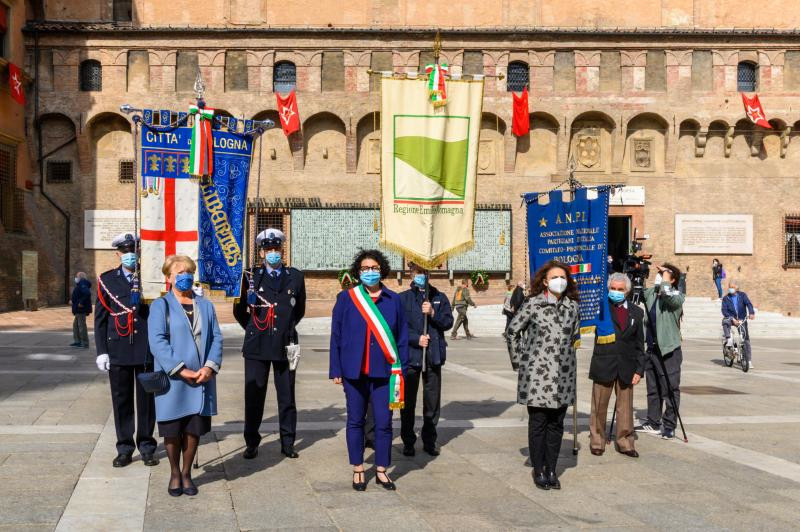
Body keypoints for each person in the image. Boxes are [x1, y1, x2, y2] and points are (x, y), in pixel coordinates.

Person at [330, 249, 409, 491]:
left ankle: (382, 470)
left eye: (374, 268)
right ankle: (358, 469)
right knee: (355, 421)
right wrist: (336, 369)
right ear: (358, 271)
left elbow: (402, 337)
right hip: (354, 372)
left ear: (382, 270)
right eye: (365, 268)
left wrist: (401, 369)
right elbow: (336, 335)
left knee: (384, 422)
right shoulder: (347, 298)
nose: (370, 272)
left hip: (385, 373)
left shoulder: (394, 300)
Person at [148, 255, 223, 497]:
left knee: (193, 430)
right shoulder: (161, 306)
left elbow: (216, 338)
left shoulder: (206, 305)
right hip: (173, 379)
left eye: (188, 271)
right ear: (168, 277)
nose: (185, 276)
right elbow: (157, 341)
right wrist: (181, 369)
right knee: (172, 429)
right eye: (179, 272)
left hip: (201, 379)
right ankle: (174, 473)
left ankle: (187, 472)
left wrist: (209, 367)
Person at [506, 260, 580, 491]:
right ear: (545, 282)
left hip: (564, 375)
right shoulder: (532, 305)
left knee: (557, 424)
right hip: (537, 376)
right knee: (539, 422)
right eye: (555, 277)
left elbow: (574, 336)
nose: (560, 281)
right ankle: (538, 469)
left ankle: (551, 468)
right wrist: (519, 361)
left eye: (563, 277)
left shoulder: (572, 307)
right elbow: (512, 332)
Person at [233, 228, 306, 460]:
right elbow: (239, 310)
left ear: (282, 250)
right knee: (254, 396)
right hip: (257, 345)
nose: (272, 253)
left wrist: (286, 328)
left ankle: (287, 442)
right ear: (261, 252)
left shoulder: (295, 276)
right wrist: (255, 329)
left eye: (276, 248)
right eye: (268, 249)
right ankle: (252, 442)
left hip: (285, 344)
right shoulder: (251, 277)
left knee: (287, 397)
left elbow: (300, 309)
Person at [94, 233, 158, 468]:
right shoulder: (107, 280)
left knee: (147, 401)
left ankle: (147, 446)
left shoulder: (152, 277)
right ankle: (125, 447)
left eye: (134, 250)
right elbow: (100, 320)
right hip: (118, 349)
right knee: (121, 400)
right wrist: (101, 351)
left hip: (146, 350)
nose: (131, 255)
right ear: (118, 254)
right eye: (126, 251)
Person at [588, 273, 646, 458]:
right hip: (603, 363)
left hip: (626, 367)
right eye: (613, 288)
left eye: (620, 289)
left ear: (627, 291)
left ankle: (625, 442)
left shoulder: (637, 312)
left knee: (626, 408)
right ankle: (597, 440)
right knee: (599, 407)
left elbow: (639, 344)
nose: (616, 292)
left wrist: (639, 369)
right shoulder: (600, 308)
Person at [399, 261, 453, 457]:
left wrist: (433, 313)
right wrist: (416, 338)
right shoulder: (403, 299)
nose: (421, 275)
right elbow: (398, 328)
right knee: (408, 403)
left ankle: (429, 440)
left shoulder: (438, 297)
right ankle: (408, 441)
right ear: (411, 274)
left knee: (432, 403)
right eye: (417, 272)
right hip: (412, 357)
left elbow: (448, 322)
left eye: (424, 272)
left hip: (433, 357)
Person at [638, 263, 686, 440]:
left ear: (672, 279)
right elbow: (636, 295)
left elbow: (670, 298)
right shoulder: (652, 294)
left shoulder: (677, 295)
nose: (660, 276)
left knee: (670, 389)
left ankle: (669, 424)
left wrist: (665, 281)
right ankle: (653, 421)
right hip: (651, 348)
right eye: (659, 273)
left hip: (668, 350)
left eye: (664, 274)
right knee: (653, 388)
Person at [721, 280, 756, 367]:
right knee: (725, 321)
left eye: (732, 287)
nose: (730, 289)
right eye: (729, 287)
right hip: (731, 318)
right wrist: (732, 318)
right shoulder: (726, 298)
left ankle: (748, 360)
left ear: (737, 288)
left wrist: (751, 313)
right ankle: (728, 338)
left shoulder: (742, 295)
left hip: (741, 318)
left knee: (745, 339)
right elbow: (724, 310)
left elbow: (748, 303)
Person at [70, 271, 92, 348]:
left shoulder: (83, 283)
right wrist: (73, 301)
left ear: (80, 277)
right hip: (78, 309)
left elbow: (87, 293)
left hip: (81, 309)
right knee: (75, 325)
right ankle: (78, 341)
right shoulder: (81, 284)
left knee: (81, 326)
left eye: (77, 276)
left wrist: (81, 303)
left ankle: (84, 343)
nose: (76, 278)